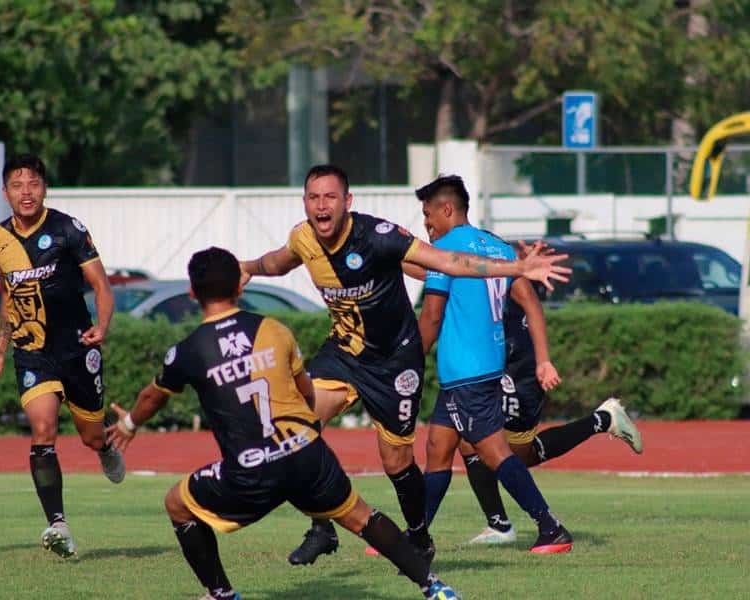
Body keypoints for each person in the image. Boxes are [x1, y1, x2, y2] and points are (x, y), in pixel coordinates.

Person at [239, 164, 571, 566]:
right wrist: (247, 269)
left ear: (348, 202)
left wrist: (516, 268)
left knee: (432, 459)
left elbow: (442, 278)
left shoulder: (400, 239)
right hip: (353, 355)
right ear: (305, 202)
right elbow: (279, 262)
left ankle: (447, 533)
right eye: (313, 197)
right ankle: (331, 528)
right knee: (305, 428)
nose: (321, 205)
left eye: (330, 197)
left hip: (410, 366)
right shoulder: (305, 238)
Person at [106, 247, 459, 600]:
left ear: (192, 293)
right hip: (306, 454)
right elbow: (305, 389)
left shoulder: (188, 351)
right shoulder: (273, 329)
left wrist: (129, 424)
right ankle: (435, 588)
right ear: (239, 288)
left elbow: (154, 397)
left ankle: (221, 593)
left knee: (177, 505)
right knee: (362, 517)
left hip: (251, 470)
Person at [413, 174, 573, 553]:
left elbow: (432, 316)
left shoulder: (447, 247)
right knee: (438, 446)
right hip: (479, 368)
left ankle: (550, 527)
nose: (426, 224)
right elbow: (528, 299)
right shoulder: (496, 247)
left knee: (495, 453)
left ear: (446, 209)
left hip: (467, 371)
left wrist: (406, 363)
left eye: (427, 214)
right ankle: (415, 534)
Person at [0, 154, 124, 559]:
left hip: (77, 348)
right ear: (5, 192)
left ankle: (105, 445)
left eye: (34, 183)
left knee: (90, 435)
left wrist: (104, 325)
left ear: (44, 188)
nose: (26, 192)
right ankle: (57, 523)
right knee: (43, 429)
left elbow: (102, 285)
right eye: (17, 185)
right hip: (32, 351)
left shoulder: (67, 229)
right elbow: (9, 295)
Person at [457, 280, 643, 544]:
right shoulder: (461, 256)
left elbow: (529, 303)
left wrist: (543, 362)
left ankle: (602, 420)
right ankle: (498, 524)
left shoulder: (490, 258)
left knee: (514, 454)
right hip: (491, 362)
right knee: (469, 440)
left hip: (518, 370)